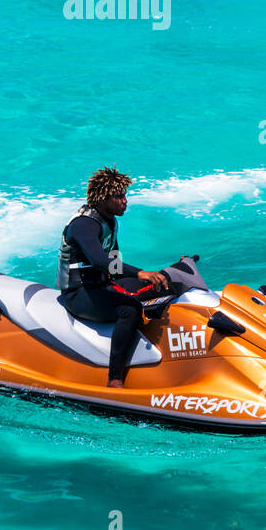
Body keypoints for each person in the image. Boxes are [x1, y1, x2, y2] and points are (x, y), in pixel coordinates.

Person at [57, 166, 168, 387]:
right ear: (102, 198)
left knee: (162, 283)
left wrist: (145, 278)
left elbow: (114, 264)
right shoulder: (84, 224)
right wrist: (139, 272)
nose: (124, 201)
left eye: (124, 195)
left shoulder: (110, 221)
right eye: (119, 196)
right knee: (130, 310)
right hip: (77, 292)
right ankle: (115, 378)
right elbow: (100, 261)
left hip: (100, 284)